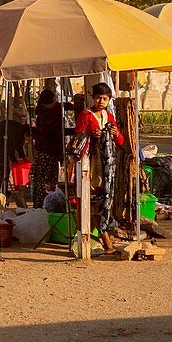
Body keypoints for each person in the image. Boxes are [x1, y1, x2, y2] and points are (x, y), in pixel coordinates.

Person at [72, 81, 124, 252]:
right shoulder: (86, 116)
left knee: (102, 201)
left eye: (104, 98)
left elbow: (120, 141)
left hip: (106, 165)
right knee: (89, 200)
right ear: (93, 99)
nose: (101, 101)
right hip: (90, 164)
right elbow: (78, 138)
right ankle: (100, 239)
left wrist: (116, 134)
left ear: (108, 100)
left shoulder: (109, 117)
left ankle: (104, 237)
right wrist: (90, 136)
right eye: (98, 98)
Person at [0, 101, 30, 194]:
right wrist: (15, 162)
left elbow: (19, 147)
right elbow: (10, 150)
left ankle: (3, 189)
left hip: (1, 139)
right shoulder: (15, 131)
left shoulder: (20, 134)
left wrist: (24, 158)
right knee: (0, 164)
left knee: (5, 166)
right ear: (26, 134)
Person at [30, 88, 65, 208]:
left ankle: (44, 205)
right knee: (44, 182)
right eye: (53, 101)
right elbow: (55, 131)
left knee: (46, 181)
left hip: (47, 152)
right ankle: (41, 205)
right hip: (46, 153)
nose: (55, 103)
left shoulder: (45, 112)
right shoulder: (45, 116)